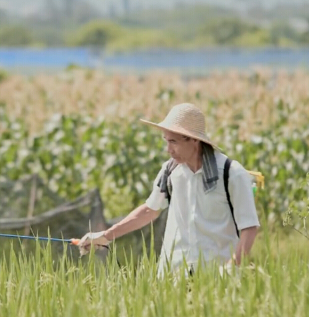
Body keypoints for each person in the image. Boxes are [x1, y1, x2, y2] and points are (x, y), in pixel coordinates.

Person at [78, 103, 260, 276]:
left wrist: (233, 265)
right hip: (174, 276)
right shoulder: (170, 171)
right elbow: (149, 210)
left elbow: (249, 227)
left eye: (173, 142)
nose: (168, 149)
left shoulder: (232, 173)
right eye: (166, 141)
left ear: (194, 140)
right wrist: (105, 236)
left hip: (218, 276)